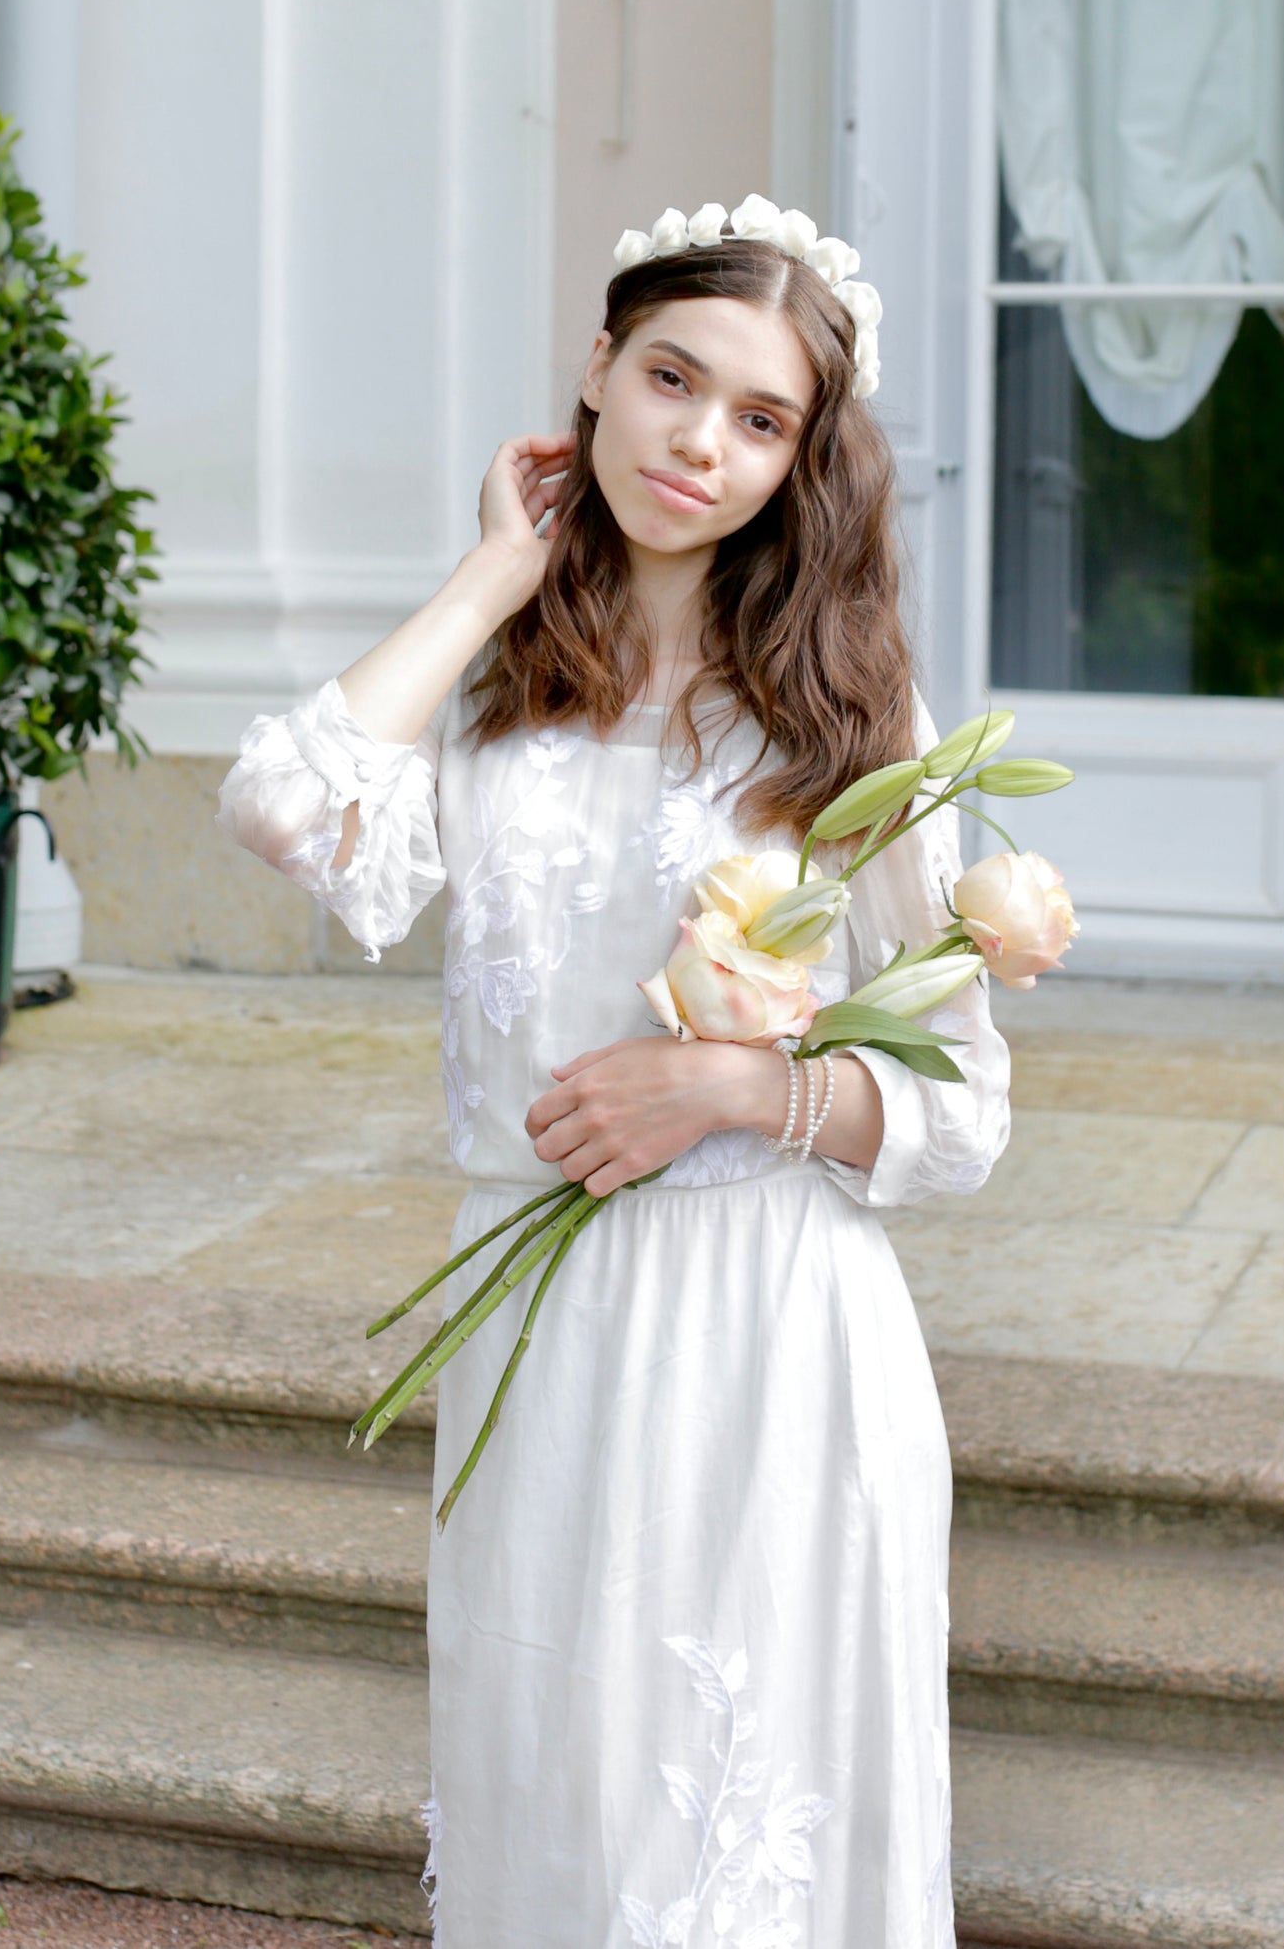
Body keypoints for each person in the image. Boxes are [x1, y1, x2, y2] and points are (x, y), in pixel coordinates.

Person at [216, 196, 1011, 1949]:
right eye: (670, 378)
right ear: (595, 369)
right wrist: (493, 569)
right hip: (544, 1348)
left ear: (801, 463)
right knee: (561, 1816)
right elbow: (283, 809)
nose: (698, 446)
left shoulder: (845, 732)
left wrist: (731, 1090)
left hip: (769, 1330)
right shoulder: (501, 694)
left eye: (759, 420)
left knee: (731, 1865)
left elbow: (962, 1112)